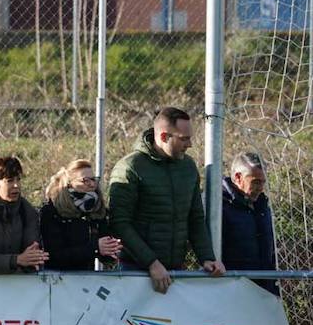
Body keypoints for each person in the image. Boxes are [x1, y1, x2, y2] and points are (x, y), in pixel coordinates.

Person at [108, 107, 225, 294]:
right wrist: (151, 263)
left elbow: (195, 218)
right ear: (163, 137)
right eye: (184, 139)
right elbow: (120, 223)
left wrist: (207, 258)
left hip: (174, 271)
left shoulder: (188, 167)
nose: (190, 144)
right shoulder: (130, 168)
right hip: (135, 272)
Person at [39, 160, 122, 271]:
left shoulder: (96, 209)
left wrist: (111, 250)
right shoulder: (52, 211)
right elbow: (53, 254)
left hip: (87, 279)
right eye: (85, 180)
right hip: (57, 280)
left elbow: (102, 244)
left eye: (93, 179)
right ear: (69, 183)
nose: (92, 184)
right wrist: (95, 248)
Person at [221, 151, 277, 295]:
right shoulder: (218, 205)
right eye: (256, 182)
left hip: (263, 289)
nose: (260, 188)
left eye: (263, 182)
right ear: (238, 177)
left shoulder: (261, 206)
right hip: (231, 290)